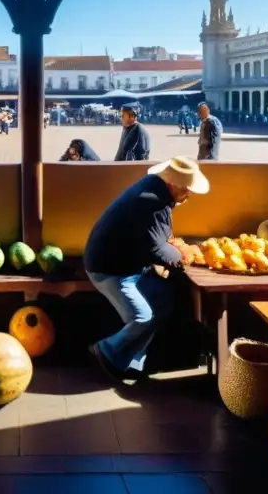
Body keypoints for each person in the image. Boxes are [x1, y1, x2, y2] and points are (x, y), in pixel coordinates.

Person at [84, 156, 210, 381]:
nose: (190, 194)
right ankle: (106, 351)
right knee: (143, 317)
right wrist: (183, 256)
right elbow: (156, 249)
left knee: (162, 299)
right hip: (110, 270)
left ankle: (133, 361)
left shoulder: (156, 193)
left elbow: (155, 240)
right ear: (174, 184)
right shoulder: (150, 200)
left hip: (130, 267)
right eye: (188, 189)